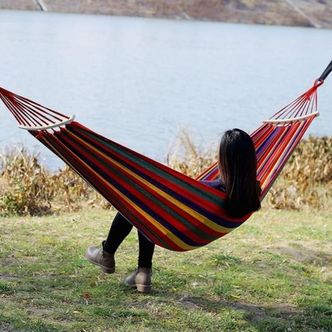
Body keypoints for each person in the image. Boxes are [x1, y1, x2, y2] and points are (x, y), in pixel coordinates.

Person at [85, 128, 261, 293]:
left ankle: (108, 254)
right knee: (146, 202)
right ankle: (142, 273)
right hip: (196, 230)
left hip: (180, 229)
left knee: (142, 200)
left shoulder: (211, 189)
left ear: (224, 160)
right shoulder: (254, 192)